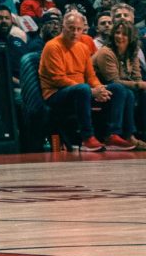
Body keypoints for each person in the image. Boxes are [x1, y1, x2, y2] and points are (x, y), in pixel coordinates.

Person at [38, 10, 134, 152]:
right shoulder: (52, 46)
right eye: (71, 28)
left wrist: (99, 89)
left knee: (120, 89)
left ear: (83, 29)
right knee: (82, 89)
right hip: (56, 94)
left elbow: (90, 76)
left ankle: (113, 135)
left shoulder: (83, 47)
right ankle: (87, 138)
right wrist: (91, 91)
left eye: (79, 29)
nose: (75, 32)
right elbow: (57, 79)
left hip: (82, 92)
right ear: (63, 27)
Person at [91, 20, 146, 150]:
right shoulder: (106, 52)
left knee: (136, 93)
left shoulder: (132, 52)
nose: (119, 36)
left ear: (131, 37)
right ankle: (113, 134)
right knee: (123, 90)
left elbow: (137, 76)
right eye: (117, 32)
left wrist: (141, 85)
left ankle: (132, 135)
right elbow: (113, 80)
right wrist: (141, 84)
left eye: (124, 34)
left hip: (119, 89)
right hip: (98, 89)